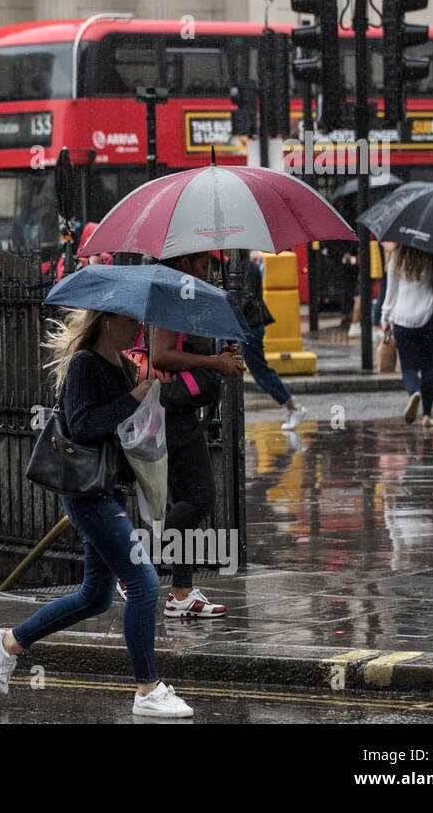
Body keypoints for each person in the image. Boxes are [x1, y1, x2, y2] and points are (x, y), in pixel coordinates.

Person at [0, 308, 195, 717]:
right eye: (131, 322)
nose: (139, 328)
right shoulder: (85, 364)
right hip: (87, 495)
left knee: (95, 597)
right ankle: (147, 690)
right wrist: (132, 398)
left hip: (108, 490)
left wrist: (146, 404)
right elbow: (81, 426)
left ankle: (8, 643)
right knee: (145, 584)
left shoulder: (121, 365)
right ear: (107, 323)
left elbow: (119, 427)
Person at [147, 250, 244, 617]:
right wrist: (213, 363)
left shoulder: (181, 291)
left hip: (178, 410)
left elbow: (182, 349)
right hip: (172, 413)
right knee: (201, 499)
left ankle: (180, 592)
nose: (210, 273)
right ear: (184, 262)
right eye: (204, 265)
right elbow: (162, 355)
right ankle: (129, 564)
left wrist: (221, 355)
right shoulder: (172, 292)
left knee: (182, 501)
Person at [237, 250, 306, 432]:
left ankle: (293, 406)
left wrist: (228, 313)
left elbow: (247, 296)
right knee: (221, 373)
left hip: (250, 325)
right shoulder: (230, 265)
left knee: (260, 371)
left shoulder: (248, 266)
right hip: (239, 326)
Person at [381, 244, 433, 429]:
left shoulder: (395, 258)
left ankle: (414, 393)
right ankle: (426, 415)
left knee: (408, 367)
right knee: (428, 368)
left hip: (402, 319)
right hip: (430, 316)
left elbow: (390, 292)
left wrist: (385, 318)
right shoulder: (432, 255)